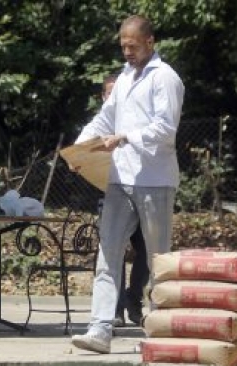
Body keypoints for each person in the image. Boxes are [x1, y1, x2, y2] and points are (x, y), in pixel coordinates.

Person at [70, 15, 184, 353]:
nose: (127, 52)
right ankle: (100, 329)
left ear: (150, 41)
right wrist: (79, 149)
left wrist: (124, 137)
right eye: (123, 46)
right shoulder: (123, 78)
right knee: (108, 252)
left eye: (132, 46)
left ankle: (159, 333)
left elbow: (166, 128)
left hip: (155, 180)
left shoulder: (165, 78)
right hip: (120, 178)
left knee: (158, 259)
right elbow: (104, 118)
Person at [98, 74, 150, 328]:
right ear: (103, 97)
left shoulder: (135, 121)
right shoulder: (100, 124)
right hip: (109, 194)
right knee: (113, 251)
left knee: (147, 251)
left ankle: (134, 299)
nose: (114, 97)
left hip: (139, 192)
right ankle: (115, 309)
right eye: (110, 93)